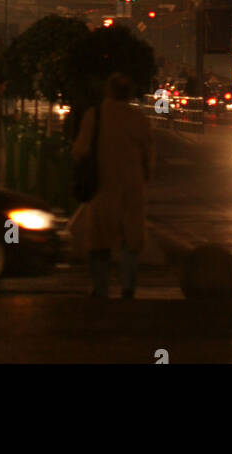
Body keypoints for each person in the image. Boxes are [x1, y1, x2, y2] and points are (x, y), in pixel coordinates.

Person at [72, 72, 152, 300]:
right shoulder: (139, 119)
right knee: (130, 241)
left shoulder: (95, 116)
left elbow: (80, 151)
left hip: (103, 186)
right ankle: (128, 286)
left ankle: (101, 287)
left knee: (99, 242)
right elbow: (149, 156)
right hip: (132, 188)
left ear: (108, 91)